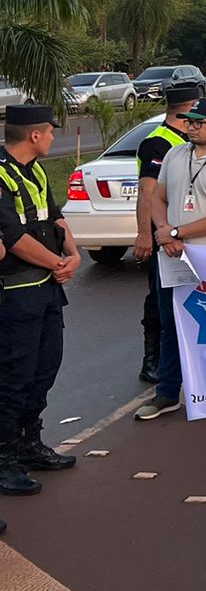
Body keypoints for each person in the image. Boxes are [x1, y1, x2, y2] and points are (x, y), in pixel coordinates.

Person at [136, 98, 206, 422]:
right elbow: (158, 198)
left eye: (199, 122)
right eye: (189, 121)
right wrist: (164, 231)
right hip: (172, 256)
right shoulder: (175, 154)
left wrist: (177, 231)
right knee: (170, 324)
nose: (191, 126)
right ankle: (168, 393)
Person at [0, 105, 78, 497]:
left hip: (47, 288)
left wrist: (74, 255)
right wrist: (57, 262)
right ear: (34, 135)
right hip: (16, 294)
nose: (52, 138)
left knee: (45, 369)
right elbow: (10, 235)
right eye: (49, 132)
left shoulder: (36, 169)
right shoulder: (0, 173)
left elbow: (56, 218)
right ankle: (5, 458)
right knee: (14, 377)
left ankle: (30, 443)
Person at [133, 83, 199, 383]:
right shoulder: (159, 143)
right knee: (158, 297)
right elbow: (147, 191)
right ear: (186, 109)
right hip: (161, 233)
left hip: (182, 230)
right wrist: (145, 234)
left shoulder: (187, 141)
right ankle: (152, 360)